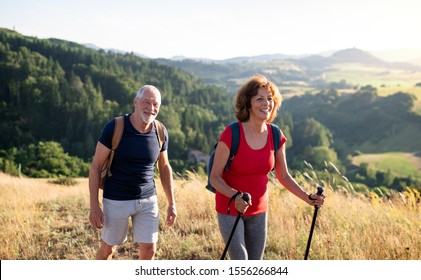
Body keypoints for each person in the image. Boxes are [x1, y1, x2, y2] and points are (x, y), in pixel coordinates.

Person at [210, 75, 325, 260]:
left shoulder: (275, 134)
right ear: (248, 103)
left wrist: (308, 198)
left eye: (270, 99)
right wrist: (235, 196)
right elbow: (214, 177)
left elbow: (284, 176)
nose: (266, 103)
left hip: (259, 211)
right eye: (259, 99)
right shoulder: (231, 133)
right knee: (240, 260)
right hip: (231, 208)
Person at [89, 85, 177, 260]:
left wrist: (171, 202)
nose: (151, 108)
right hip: (116, 200)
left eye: (155, 104)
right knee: (108, 249)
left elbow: (165, 167)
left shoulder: (160, 131)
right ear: (136, 102)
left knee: (150, 249)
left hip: (148, 200)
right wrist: (94, 206)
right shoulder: (115, 127)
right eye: (146, 102)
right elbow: (96, 166)